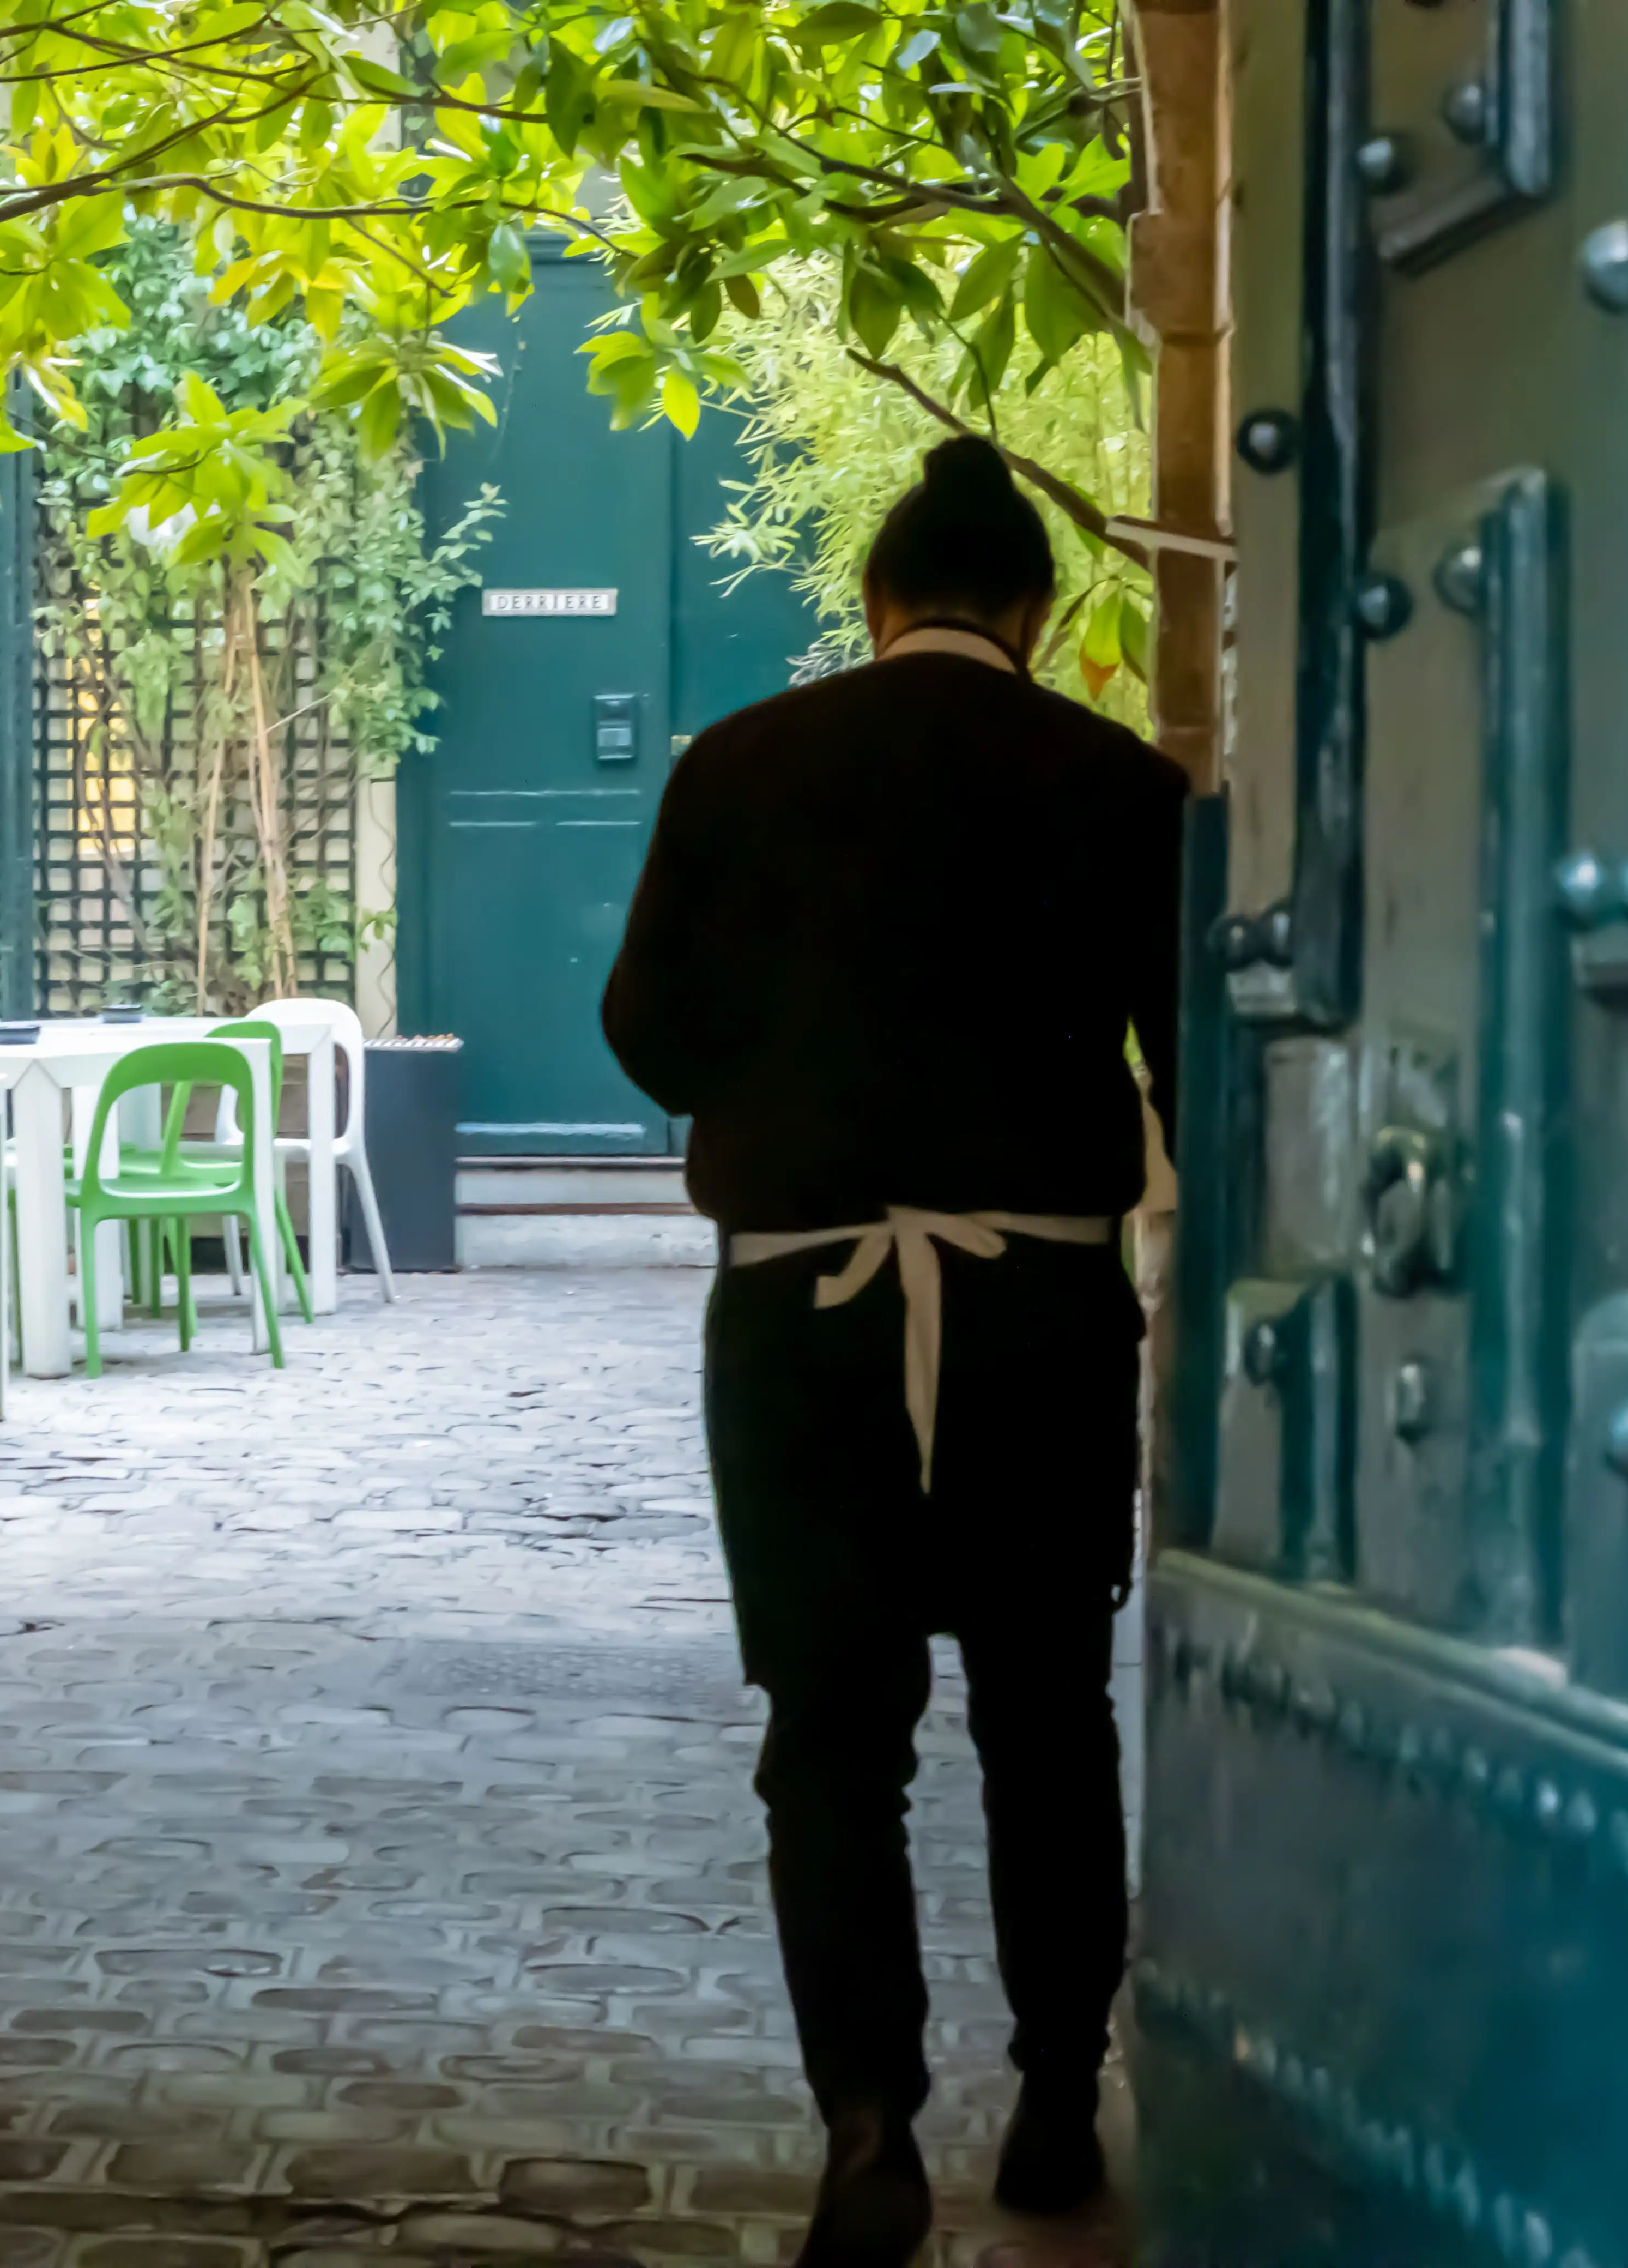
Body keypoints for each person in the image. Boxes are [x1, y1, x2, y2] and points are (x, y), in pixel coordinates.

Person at [600, 436, 1188, 2264]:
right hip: (1038, 1311)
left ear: (873, 603)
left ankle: (867, 2122)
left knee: (832, 1739)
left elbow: (652, 1033)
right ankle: (1056, 2093)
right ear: (1037, 608)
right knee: (1047, 1711)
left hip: (800, 1313)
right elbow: (1194, 1063)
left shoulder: (741, 767)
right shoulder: (1121, 784)